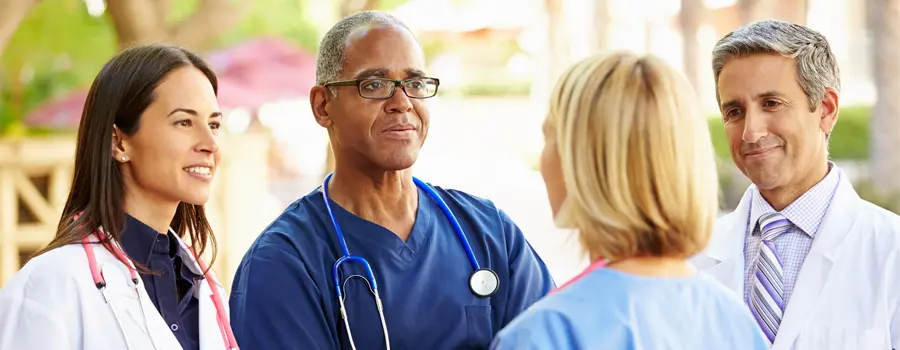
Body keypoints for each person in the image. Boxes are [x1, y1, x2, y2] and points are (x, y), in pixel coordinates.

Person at [228, 10, 555, 350]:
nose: (402, 103)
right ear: (323, 106)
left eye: (414, 83)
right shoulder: (284, 262)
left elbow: (552, 338)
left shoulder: (489, 234)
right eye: (374, 85)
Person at [489, 52, 768, 350]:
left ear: (585, 163)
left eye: (549, 139)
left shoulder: (544, 333)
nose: (543, 161)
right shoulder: (732, 320)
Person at [0, 44, 236, 350]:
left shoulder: (208, 293)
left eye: (214, 124)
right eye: (184, 122)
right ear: (118, 142)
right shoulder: (49, 286)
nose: (210, 143)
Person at [691, 20, 900, 349]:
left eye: (772, 104)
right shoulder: (691, 257)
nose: (751, 132)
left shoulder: (892, 251)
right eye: (734, 111)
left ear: (826, 109)